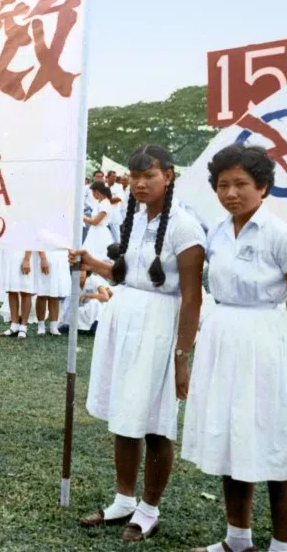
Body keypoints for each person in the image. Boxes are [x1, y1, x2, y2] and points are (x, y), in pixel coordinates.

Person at [72, 145, 205, 543]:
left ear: (169, 176)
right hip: (125, 320)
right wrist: (92, 263)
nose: (141, 183)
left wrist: (182, 356)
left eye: (150, 175)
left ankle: (149, 509)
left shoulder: (185, 228)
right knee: (125, 416)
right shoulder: (134, 219)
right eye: (134, 176)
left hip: (161, 328)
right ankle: (124, 499)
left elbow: (192, 296)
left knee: (155, 424)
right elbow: (130, 275)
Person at [182, 145, 287, 552]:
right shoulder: (216, 231)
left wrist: (280, 341)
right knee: (232, 439)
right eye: (223, 185)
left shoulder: (280, 234)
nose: (231, 193)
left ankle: (283, 546)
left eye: (241, 184)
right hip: (222, 336)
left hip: (266, 341)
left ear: (262, 186)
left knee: (276, 443)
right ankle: (237, 540)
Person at [34, 250, 71, 336]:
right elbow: (39, 240)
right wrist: (43, 258)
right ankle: (41, 326)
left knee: (55, 294)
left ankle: (53, 327)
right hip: (47, 255)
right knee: (42, 294)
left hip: (61, 258)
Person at [0, 250, 36, 338]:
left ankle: (23, 326)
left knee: (25, 290)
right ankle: (14, 325)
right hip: (9, 255)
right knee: (11, 290)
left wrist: (27, 259)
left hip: (23, 255)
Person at [82, 182, 113, 261]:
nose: (92, 194)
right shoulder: (99, 202)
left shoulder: (105, 204)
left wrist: (82, 217)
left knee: (97, 256)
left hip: (100, 233)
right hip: (94, 231)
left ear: (97, 192)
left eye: (92, 192)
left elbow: (95, 222)